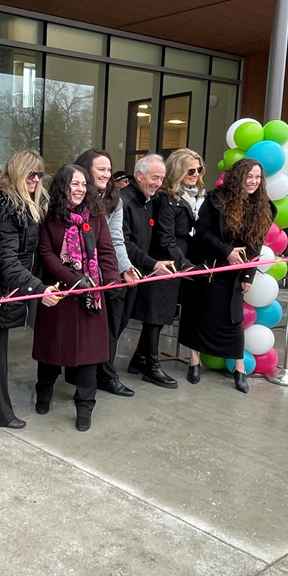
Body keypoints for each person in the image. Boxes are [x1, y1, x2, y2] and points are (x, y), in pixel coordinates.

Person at [0, 149, 58, 430]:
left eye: (40, 175)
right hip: (1, 288)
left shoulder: (22, 203)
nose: (35, 180)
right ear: (17, 173)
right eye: (30, 174)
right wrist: (36, 287)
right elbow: (8, 259)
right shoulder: (7, 208)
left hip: (8, 287)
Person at [33, 165, 121, 432]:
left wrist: (113, 278)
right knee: (51, 352)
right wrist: (74, 280)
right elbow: (46, 254)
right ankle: (44, 393)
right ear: (62, 187)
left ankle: (85, 407)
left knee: (88, 357)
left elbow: (106, 251)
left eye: (84, 184)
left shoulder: (95, 216)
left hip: (91, 298)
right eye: (74, 184)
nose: (80, 189)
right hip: (59, 295)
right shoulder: (49, 217)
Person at [179, 158, 274, 393]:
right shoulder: (215, 199)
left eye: (257, 177)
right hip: (208, 266)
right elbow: (201, 232)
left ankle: (239, 368)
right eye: (248, 176)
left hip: (234, 272)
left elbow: (256, 245)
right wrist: (226, 251)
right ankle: (194, 361)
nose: (252, 181)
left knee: (233, 320)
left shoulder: (263, 205)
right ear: (238, 177)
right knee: (196, 314)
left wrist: (248, 275)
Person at [129, 149, 202, 386]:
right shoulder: (166, 199)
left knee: (159, 317)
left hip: (174, 262)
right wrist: (184, 265)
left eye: (199, 170)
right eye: (190, 170)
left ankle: (139, 358)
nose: (195, 174)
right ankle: (151, 365)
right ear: (178, 171)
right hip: (163, 262)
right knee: (154, 315)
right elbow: (165, 237)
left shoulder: (189, 197)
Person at [77, 150, 137, 398]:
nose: (107, 174)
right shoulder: (74, 196)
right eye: (101, 168)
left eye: (109, 169)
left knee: (110, 327)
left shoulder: (115, 199)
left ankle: (106, 375)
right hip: (76, 274)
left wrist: (125, 268)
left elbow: (115, 240)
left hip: (104, 273)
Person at [117, 154, 177, 389]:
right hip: (124, 273)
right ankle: (104, 375)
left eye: (162, 178)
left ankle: (138, 362)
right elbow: (124, 242)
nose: (158, 183)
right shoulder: (124, 201)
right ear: (139, 175)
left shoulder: (150, 200)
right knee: (117, 326)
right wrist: (152, 263)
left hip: (142, 271)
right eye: (154, 177)